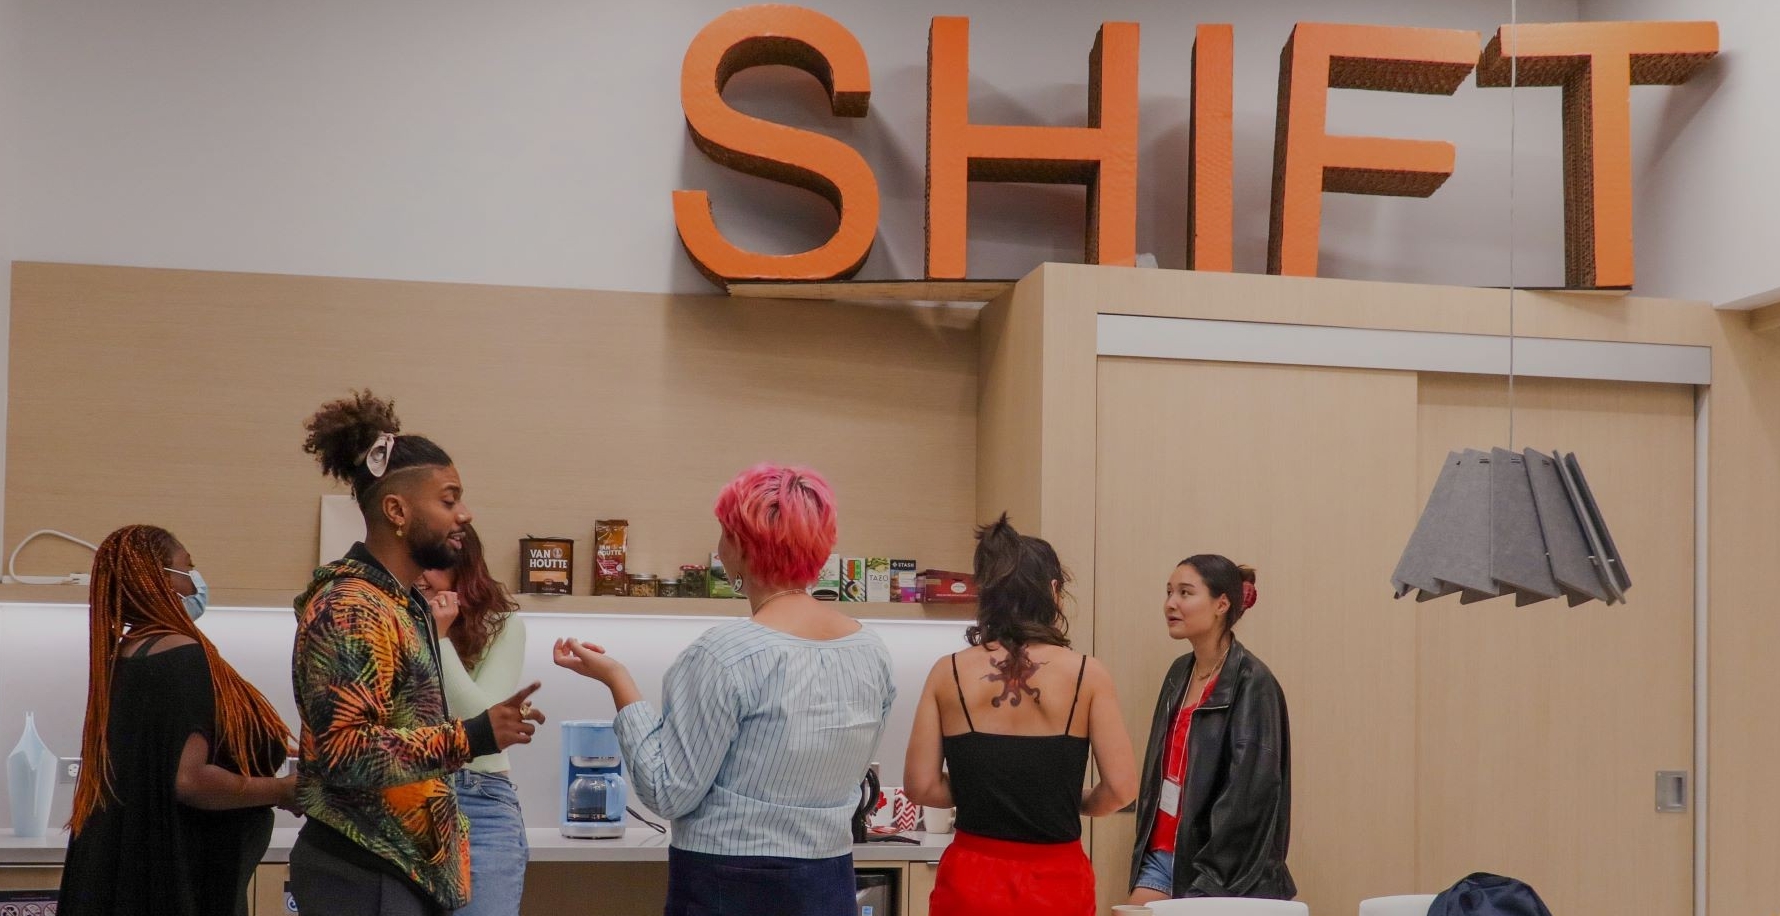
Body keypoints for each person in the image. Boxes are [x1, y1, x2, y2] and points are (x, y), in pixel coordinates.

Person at [552, 463, 896, 916]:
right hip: (828, 880)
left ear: (739, 545)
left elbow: (667, 791)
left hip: (730, 882)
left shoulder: (724, 653)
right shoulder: (871, 651)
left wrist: (619, 682)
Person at [291, 390, 545, 916]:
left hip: (395, 866)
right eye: (448, 500)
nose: (465, 515)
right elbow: (345, 754)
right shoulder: (352, 606)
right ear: (397, 510)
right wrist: (474, 734)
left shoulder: (398, 604)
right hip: (363, 870)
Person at [903, 514, 1138, 916]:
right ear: (1053, 592)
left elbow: (921, 787)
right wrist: (1065, 799)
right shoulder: (1087, 675)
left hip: (971, 878)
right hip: (1057, 880)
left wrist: (988, 790)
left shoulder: (949, 673)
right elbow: (1120, 789)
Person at [60, 524, 297, 916]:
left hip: (122, 879)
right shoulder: (184, 659)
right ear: (161, 580)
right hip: (177, 882)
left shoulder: (122, 659)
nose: (196, 584)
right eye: (188, 568)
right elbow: (191, 780)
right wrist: (281, 789)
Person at [1127, 556, 1293, 903]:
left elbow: (1250, 797)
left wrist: (1209, 884)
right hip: (1164, 855)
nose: (1170, 603)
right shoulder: (1178, 673)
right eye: (1169, 592)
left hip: (1221, 871)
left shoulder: (1252, 682)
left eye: (1185, 593)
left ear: (1222, 604)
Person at [415, 523, 531, 916]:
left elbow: (483, 720)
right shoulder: (393, 622)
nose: (420, 576)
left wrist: (439, 637)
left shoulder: (503, 626)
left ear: (461, 567)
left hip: (477, 796)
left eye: (431, 564)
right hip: (406, 798)